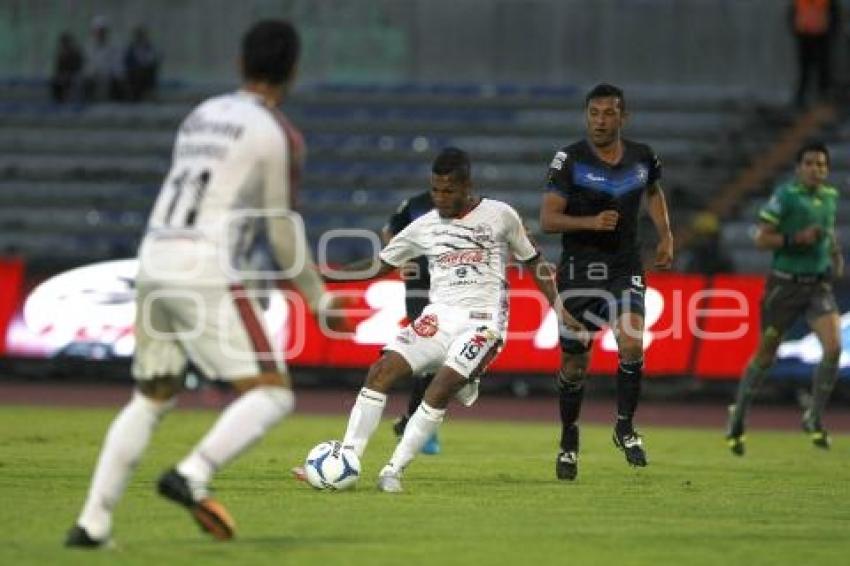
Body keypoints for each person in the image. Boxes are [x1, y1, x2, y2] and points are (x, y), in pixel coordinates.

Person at [65, 20, 344, 548]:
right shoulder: (276, 133)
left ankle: (91, 524)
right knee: (272, 394)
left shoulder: (201, 115)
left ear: (240, 64)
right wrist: (318, 297)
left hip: (154, 256)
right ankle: (193, 472)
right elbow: (280, 227)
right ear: (294, 71)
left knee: (152, 396)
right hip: (206, 266)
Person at [332, 147, 585, 493]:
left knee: (440, 387)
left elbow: (534, 261)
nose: (440, 197)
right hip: (438, 318)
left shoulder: (501, 215)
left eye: (448, 190)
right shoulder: (423, 225)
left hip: (483, 323)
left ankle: (393, 470)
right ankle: (346, 459)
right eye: (435, 189)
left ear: (467, 185)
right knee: (380, 371)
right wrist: (326, 277)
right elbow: (379, 264)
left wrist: (558, 306)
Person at [539, 83, 673, 481]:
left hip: (623, 267)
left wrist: (666, 235)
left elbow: (653, 191)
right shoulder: (570, 160)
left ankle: (624, 426)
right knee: (575, 367)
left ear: (623, 117)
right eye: (594, 113)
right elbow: (547, 220)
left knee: (632, 341)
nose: (600, 121)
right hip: (579, 272)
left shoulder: (643, 156)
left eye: (608, 113)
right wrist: (590, 223)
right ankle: (568, 440)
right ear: (586, 116)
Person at [726, 141, 842, 455]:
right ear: (798, 168)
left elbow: (828, 231)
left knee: (833, 348)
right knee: (766, 355)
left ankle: (813, 415)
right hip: (784, 287)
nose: (816, 169)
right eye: (810, 163)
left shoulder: (830, 197)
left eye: (821, 164)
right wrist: (794, 239)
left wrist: (835, 255)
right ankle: (738, 416)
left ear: (827, 169)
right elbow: (761, 238)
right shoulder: (785, 197)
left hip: (817, 286)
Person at [383, 191, 441, 455]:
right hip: (420, 288)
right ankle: (421, 429)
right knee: (427, 359)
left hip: (454, 290)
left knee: (440, 362)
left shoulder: (471, 206)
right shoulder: (414, 204)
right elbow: (389, 230)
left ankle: (410, 421)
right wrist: (400, 259)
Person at [789, 0, 842, 107]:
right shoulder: (800, 2)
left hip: (821, 38)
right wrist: (796, 31)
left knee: (823, 69)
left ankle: (823, 98)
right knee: (805, 70)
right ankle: (801, 99)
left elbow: (835, 17)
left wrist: (832, 33)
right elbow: (792, 15)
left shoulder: (826, 2)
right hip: (805, 37)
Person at [83, 15, 125, 101]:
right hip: (93, 79)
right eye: (97, 31)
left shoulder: (114, 47)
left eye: (102, 31)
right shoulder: (88, 48)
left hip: (109, 79)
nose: (99, 34)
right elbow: (87, 66)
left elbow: (117, 66)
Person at [124, 26, 161, 102]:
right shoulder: (131, 49)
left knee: (145, 72)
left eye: (141, 35)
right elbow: (128, 62)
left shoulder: (149, 48)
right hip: (134, 73)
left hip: (146, 72)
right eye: (138, 35)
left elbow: (152, 61)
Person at [50, 32, 84, 103]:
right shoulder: (61, 55)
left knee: (73, 81)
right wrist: (62, 75)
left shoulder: (76, 53)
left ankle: (73, 100)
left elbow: (78, 67)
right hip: (65, 76)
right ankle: (59, 101)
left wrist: (68, 74)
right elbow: (58, 69)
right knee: (57, 81)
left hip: (74, 75)